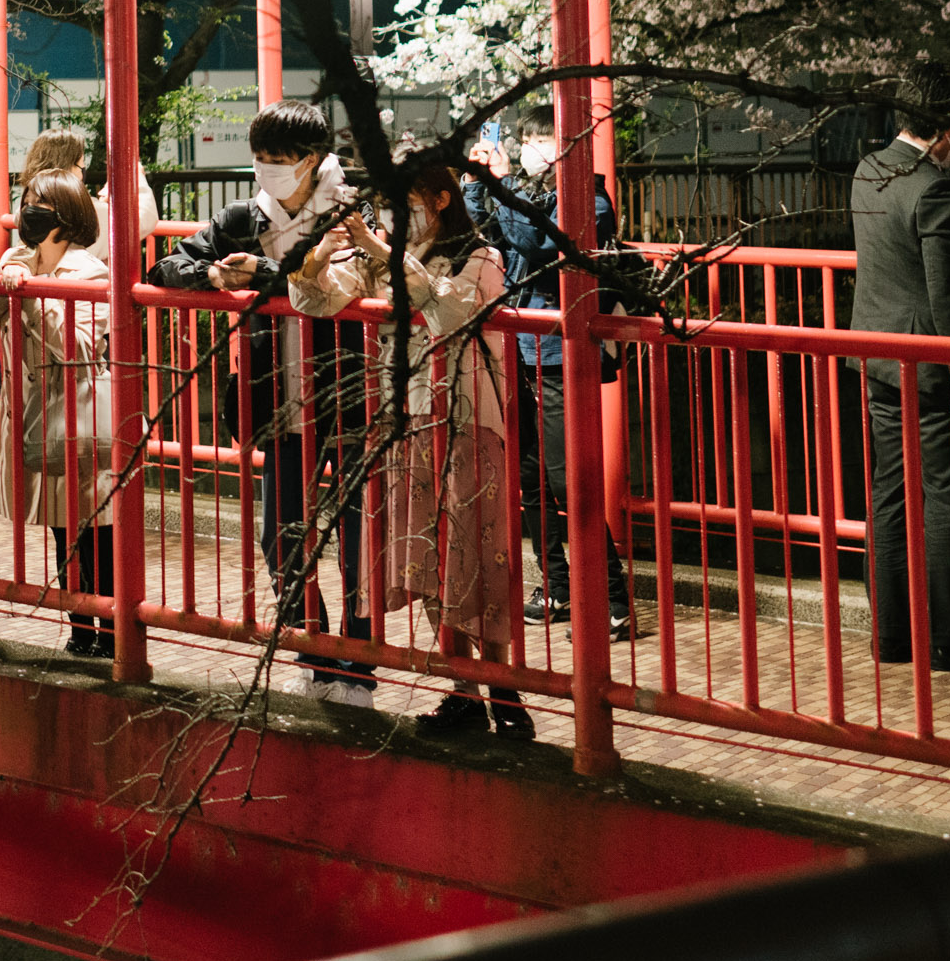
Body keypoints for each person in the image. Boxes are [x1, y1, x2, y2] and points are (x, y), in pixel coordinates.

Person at [149, 104, 379, 698]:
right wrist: (212, 277)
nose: (268, 171)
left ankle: (358, 657)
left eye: (280, 161)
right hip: (278, 396)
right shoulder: (242, 216)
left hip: (353, 393)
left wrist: (263, 273)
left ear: (314, 161)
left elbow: (343, 289)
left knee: (359, 533)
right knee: (280, 533)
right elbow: (165, 265)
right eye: (261, 160)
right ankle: (313, 648)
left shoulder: (353, 210)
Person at [371, 152, 537, 743]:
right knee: (431, 555)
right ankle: (461, 686)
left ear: (440, 198)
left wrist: (379, 251)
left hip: (467, 419)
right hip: (415, 417)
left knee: (480, 551)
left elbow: (450, 312)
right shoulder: (395, 257)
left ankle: (503, 685)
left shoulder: (482, 257)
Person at [850, 74, 950, 669]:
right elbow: (949, 294)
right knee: (947, 499)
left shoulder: (870, 169)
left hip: (880, 357)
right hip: (934, 367)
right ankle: (946, 638)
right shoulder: (938, 189)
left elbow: (902, 249)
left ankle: (890, 635)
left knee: (888, 494)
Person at [486, 126, 633, 641]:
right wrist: (481, 184)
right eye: (526, 138)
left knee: (568, 480)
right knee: (530, 478)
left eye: (542, 138)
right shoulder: (538, 197)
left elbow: (536, 244)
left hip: (562, 354)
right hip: (524, 351)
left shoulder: (590, 204)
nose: (532, 148)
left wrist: (504, 185)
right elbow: (487, 233)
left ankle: (612, 602)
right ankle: (558, 585)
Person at [0, 177, 119, 657]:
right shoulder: (20, 261)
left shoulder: (88, 272)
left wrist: (32, 296)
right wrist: (9, 273)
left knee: (94, 531)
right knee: (62, 527)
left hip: (79, 416)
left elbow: (81, 348)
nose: (29, 211)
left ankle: (106, 632)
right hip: (36, 414)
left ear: (66, 216)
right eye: (27, 203)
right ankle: (80, 627)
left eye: (40, 205)